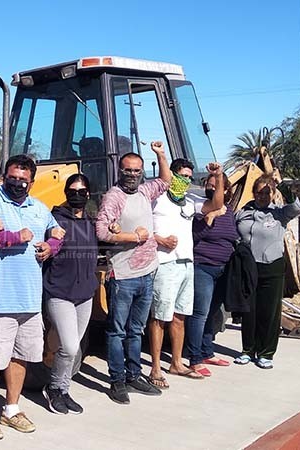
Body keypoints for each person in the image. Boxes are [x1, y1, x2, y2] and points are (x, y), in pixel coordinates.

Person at [0, 154, 65, 440]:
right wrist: (12, 236)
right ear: (4, 177)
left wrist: (52, 247)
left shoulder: (39, 207)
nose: (18, 183)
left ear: (32, 182)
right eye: (13, 178)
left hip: (29, 299)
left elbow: (56, 231)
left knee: (21, 357)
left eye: (24, 180)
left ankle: (11, 409)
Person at [95, 142, 171, 405]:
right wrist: (132, 237)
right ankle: (117, 380)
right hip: (123, 275)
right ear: (120, 170)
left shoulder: (145, 191)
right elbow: (102, 231)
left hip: (147, 273)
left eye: (136, 170)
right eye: (127, 170)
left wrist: (160, 154)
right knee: (117, 331)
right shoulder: (114, 197)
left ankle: (134, 375)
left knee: (136, 330)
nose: (132, 174)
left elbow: (166, 180)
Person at [41, 173, 98, 415]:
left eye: (82, 191)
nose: (77, 195)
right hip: (60, 293)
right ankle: (53, 388)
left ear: (88, 194)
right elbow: (45, 250)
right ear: (66, 193)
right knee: (70, 346)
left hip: (85, 294)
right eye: (72, 191)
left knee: (75, 351)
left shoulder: (90, 223)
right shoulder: (54, 222)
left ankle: (64, 390)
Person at [234, 171, 300, 369]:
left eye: (266, 192)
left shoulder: (280, 213)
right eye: (259, 192)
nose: (262, 196)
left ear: (272, 194)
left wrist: (283, 186)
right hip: (248, 268)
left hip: (271, 267)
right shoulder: (244, 212)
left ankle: (266, 353)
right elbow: (232, 229)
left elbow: (297, 206)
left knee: (269, 312)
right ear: (253, 193)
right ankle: (247, 350)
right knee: (249, 311)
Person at [147, 158, 205, 387]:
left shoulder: (189, 202)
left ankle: (177, 363)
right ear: (172, 175)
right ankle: (155, 368)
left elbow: (216, 204)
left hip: (186, 264)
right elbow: (140, 227)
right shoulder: (155, 199)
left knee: (180, 316)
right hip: (165, 263)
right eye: (182, 176)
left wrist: (219, 177)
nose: (187, 181)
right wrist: (159, 239)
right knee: (160, 316)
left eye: (190, 177)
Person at [185, 164, 239, 376]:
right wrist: (210, 218)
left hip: (223, 269)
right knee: (200, 313)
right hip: (203, 268)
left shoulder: (230, 212)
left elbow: (231, 236)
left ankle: (208, 350)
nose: (211, 188)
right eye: (209, 185)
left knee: (213, 312)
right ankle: (195, 358)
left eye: (216, 186)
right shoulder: (201, 210)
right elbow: (194, 237)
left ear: (226, 190)